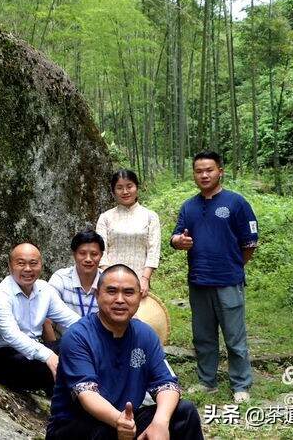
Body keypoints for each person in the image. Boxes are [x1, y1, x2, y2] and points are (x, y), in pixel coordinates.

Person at [47, 264, 203, 440]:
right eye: (112, 291)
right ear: (98, 295)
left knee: (184, 412)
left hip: (126, 420)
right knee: (106, 429)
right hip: (76, 426)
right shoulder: (78, 336)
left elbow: (167, 384)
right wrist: (119, 421)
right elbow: (86, 394)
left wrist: (160, 422)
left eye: (128, 292)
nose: (120, 299)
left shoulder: (145, 334)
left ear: (139, 297)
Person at [170, 150, 258, 403]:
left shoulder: (236, 203)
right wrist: (178, 241)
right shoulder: (189, 206)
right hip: (199, 281)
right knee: (203, 336)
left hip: (228, 281)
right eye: (199, 171)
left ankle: (241, 384)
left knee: (234, 336)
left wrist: (233, 266)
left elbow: (250, 242)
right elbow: (176, 236)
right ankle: (207, 381)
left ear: (220, 171)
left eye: (209, 170)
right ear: (194, 175)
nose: (204, 175)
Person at [0, 243, 80, 396]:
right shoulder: (0, 294)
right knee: (65, 363)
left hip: (33, 354)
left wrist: (98, 331)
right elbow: (11, 335)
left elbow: (70, 319)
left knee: (75, 345)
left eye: (33, 263)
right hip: (3, 359)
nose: (28, 269)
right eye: (21, 263)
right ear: (10, 266)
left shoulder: (44, 289)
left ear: (41, 264)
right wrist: (48, 355)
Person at [96, 169, 161, 298]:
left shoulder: (150, 216)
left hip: (139, 280)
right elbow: (101, 251)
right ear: (113, 191)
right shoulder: (105, 217)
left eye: (129, 186)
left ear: (137, 187)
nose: (125, 192)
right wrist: (108, 279)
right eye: (119, 188)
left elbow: (154, 250)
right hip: (111, 281)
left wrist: (145, 279)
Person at [47, 229, 105, 338]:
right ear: (74, 254)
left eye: (94, 254)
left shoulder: (108, 281)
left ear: (101, 255)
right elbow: (46, 315)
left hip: (100, 344)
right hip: (65, 344)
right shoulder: (61, 278)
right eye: (82, 253)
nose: (88, 259)